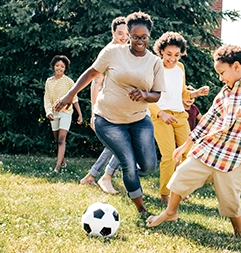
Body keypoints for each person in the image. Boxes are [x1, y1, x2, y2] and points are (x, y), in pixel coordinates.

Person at [146, 44, 241, 238]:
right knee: (181, 175)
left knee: (230, 199)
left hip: (236, 154)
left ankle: (239, 234)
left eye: (222, 72)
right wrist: (184, 146)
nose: (220, 77)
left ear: (235, 66)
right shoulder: (224, 92)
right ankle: (170, 212)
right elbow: (206, 121)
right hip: (212, 148)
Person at [54, 11, 165, 216]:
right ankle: (141, 209)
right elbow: (92, 73)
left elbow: (157, 94)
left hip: (139, 119)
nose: (139, 41)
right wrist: (71, 95)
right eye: (134, 37)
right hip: (108, 119)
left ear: (149, 36)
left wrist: (143, 94)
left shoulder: (155, 62)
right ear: (128, 35)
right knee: (129, 164)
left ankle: (127, 175)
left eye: (144, 37)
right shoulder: (113, 52)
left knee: (149, 166)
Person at [149, 31, 209, 205]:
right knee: (168, 156)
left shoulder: (180, 68)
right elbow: (147, 97)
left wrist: (196, 93)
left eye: (177, 55)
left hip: (180, 116)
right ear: (161, 51)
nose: (172, 58)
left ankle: (180, 190)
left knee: (188, 154)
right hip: (160, 116)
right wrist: (161, 113)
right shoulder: (154, 67)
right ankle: (165, 195)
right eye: (169, 54)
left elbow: (182, 93)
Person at [80, 16, 129, 194]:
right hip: (109, 106)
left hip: (123, 105)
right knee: (123, 142)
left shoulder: (126, 52)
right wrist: (94, 112)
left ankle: (91, 176)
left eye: (127, 34)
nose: (124, 37)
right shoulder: (109, 52)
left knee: (115, 143)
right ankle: (105, 177)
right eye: (120, 33)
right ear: (113, 32)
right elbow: (95, 82)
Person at [43, 55, 83, 173]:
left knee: (61, 139)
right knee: (57, 139)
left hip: (66, 113)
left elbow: (74, 98)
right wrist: (49, 112)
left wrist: (80, 114)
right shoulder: (49, 81)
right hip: (54, 114)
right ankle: (63, 161)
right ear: (53, 67)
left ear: (65, 68)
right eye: (57, 66)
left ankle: (57, 167)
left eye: (62, 66)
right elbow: (47, 98)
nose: (59, 68)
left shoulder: (69, 81)